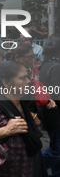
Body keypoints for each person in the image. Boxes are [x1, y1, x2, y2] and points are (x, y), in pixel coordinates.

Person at [39, 34, 60, 177]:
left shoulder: (46, 64)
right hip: (56, 114)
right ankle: (33, 168)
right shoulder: (56, 66)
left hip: (50, 112)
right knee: (57, 149)